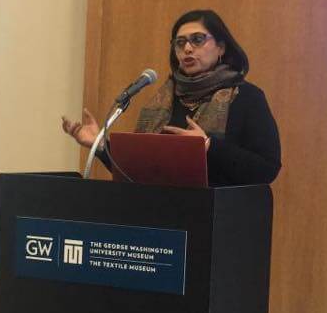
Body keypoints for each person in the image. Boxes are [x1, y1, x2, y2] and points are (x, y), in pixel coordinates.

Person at [62, 10, 281, 185]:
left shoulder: (247, 98)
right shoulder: (164, 100)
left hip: (218, 217)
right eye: (180, 42)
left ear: (221, 47)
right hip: (158, 217)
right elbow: (137, 172)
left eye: (198, 40)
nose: (187, 48)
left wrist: (208, 146)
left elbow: (266, 169)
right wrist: (100, 145)